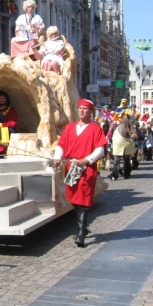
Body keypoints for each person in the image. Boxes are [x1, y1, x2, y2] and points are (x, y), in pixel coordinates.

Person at [54, 99, 107, 247]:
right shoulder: (70, 128)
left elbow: (100, 149)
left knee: (83, 200)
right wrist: (58, 158)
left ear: (90, 112)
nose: (82, 111)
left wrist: (87, 159)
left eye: (85, 109)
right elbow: (61, 145)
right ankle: (83, 227)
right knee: (74, 199)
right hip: (71, 167)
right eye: (80, 108)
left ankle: (80, 233)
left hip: (86, 168)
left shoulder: (95, 128)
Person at [109, 117, 135, 181]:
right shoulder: (119, 110)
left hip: (127, 123)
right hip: (119, 122)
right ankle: (109, 140)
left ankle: (127, 173)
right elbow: (114, 117)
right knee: (112, 127)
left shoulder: (129, 112)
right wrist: (116, 120)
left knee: (127, 159)